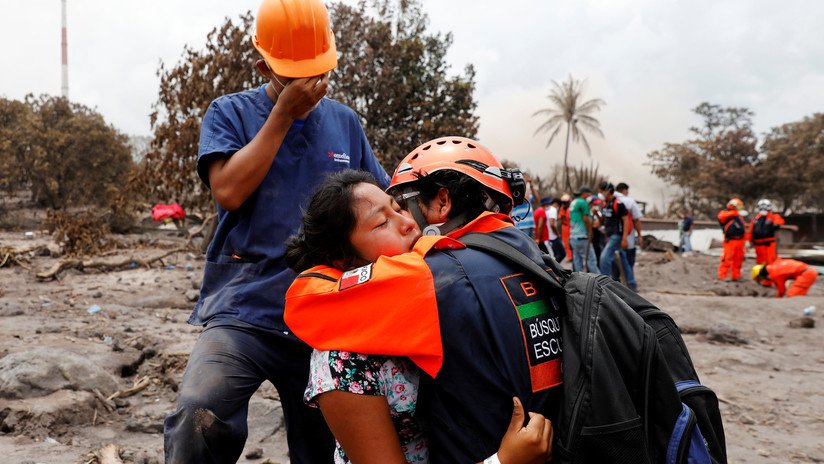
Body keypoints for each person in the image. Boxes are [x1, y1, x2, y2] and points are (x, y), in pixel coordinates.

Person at [163, 1, 390, 462]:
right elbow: (228, 191)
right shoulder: (230, 113)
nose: (309, 84)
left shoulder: (344, 122)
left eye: (318, 71)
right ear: (263, 66)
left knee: (327, 444)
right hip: (245, 308)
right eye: (294, 75)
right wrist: (283, 115)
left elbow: (381, 199)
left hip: (326, 309)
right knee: (199, 411)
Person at [285, 137, 564, 463]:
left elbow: (304, 300)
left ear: (444, 201)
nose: (408, 223)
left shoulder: (430, 274)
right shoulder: (526, 253)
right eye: (383, 221)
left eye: (400, 207)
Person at [598, 182, 636, 289]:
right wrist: (596, 214)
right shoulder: (606, 204)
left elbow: (626, 221)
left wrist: (624, 239)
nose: (600, 194)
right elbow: (603, 221)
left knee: (604, 258)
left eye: (602, 191)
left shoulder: (618, 204)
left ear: (608, 191)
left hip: (617, 235)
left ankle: (605, 285)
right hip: (610, 235)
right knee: (622, 260)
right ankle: (631, 284)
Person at [614, 182, 644, 285]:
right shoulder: (629, 201)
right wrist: (639, 235)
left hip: (613, 239)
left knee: (615, 264)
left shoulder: (610, 200)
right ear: (624, 190)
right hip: (628, 239)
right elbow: (636, 220)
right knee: (629, 263)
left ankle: (616, 285)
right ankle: (630, 285)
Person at [568, 186, 598, 273]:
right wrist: (590, 232)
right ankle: (598, 280)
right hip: (582, 236)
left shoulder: (574, 202)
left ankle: (579, 280)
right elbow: (586, 219)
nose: (590, 196)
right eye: (589, 194)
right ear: (584, 194)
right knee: (591, 260)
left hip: (573, 237)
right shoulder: (583, 203)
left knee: (577, 261)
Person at [752, 259, 819, 297]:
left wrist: (776, 299)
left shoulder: (775, 274)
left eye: (760, 279)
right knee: (798, 295)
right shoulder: (775, 266)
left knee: (791, 296)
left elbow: (782, 291)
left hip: (806, 274)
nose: (762, 280)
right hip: (808, 272)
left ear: (762, 274)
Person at [717, 198, 748, 281]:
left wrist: (746, 241)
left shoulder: (739, 217)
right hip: (730, 240)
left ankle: (736, 276)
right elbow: (721, 217)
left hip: (740, 241)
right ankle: (723, 275)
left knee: (738, 259)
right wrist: (735, 212)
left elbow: (743, 228)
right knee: (727, 258)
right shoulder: (726, 213)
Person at [748, 199, 785, 264]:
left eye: (765, 206)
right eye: (761, 206)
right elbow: (751, 231)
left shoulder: (773, 217)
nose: (763, 208)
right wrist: (749, 241)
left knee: (770, 261)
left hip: (768, 245)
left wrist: (775, 224)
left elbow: (780, 221)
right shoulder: (756, 219)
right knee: (760, 262)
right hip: (758, 245)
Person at [511, 173, 540, 239]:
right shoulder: (516, 193)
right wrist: (525, 183)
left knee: (530, 245)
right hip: (520, 225)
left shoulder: (529, 194)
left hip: (530, 224)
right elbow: (525, 198)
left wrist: (532, 186)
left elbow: (537, 200)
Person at [558, 193, 573, 261]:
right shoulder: (562, 209)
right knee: (566, 242)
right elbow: (560, 219)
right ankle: (570, 257)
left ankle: (572, 255)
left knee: (572, 242)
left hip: (572, 227)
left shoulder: (571, 208)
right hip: (565, 227)